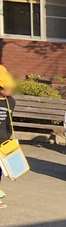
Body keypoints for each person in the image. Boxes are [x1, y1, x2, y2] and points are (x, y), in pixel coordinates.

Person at [0, 68, 18, 209]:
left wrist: (8, 137)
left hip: (3, 142)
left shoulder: (10, 101)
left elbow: (8, 122)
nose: (11, 90)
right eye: (8, 88)